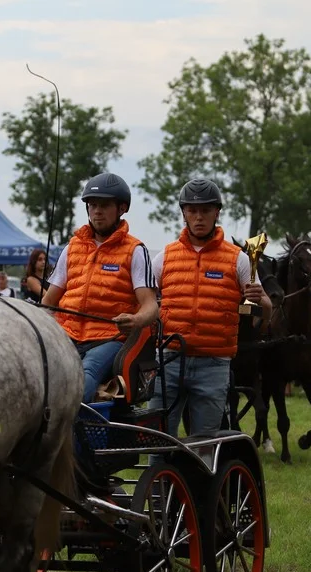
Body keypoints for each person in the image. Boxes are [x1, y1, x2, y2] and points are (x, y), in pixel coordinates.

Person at [150, 178, 272, 437]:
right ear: (183, 213)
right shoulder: (164, 258)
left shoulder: (239, 259)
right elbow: (145, 302)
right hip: (169, 361)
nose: (198, 217)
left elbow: (266, 311)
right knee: (157, 440)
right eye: (192, 211)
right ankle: (161, 479)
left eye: (205, 210)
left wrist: (260, 300)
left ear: (216, 212)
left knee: (205, 446)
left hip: (214, 365)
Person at [41, 173, 159, 405]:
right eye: (92, 205)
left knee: (85, 373)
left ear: (122, 208)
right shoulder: (72, 248)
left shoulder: (135, 250)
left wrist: (135, 320)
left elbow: (150, 306)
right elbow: (48, 301)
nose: (97, 211)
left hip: (108, 338)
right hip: (67, 334)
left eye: (104, 205)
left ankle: (75, 435)